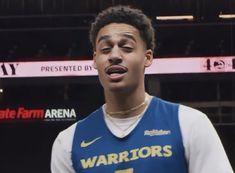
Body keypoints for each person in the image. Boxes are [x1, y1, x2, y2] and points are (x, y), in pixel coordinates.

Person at [51, 5, 234, 173]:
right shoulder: (68, 143)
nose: (114, 55)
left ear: (147, 57)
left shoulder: (190, 124)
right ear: (95, 59)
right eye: (105, 49)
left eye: (127, 47)